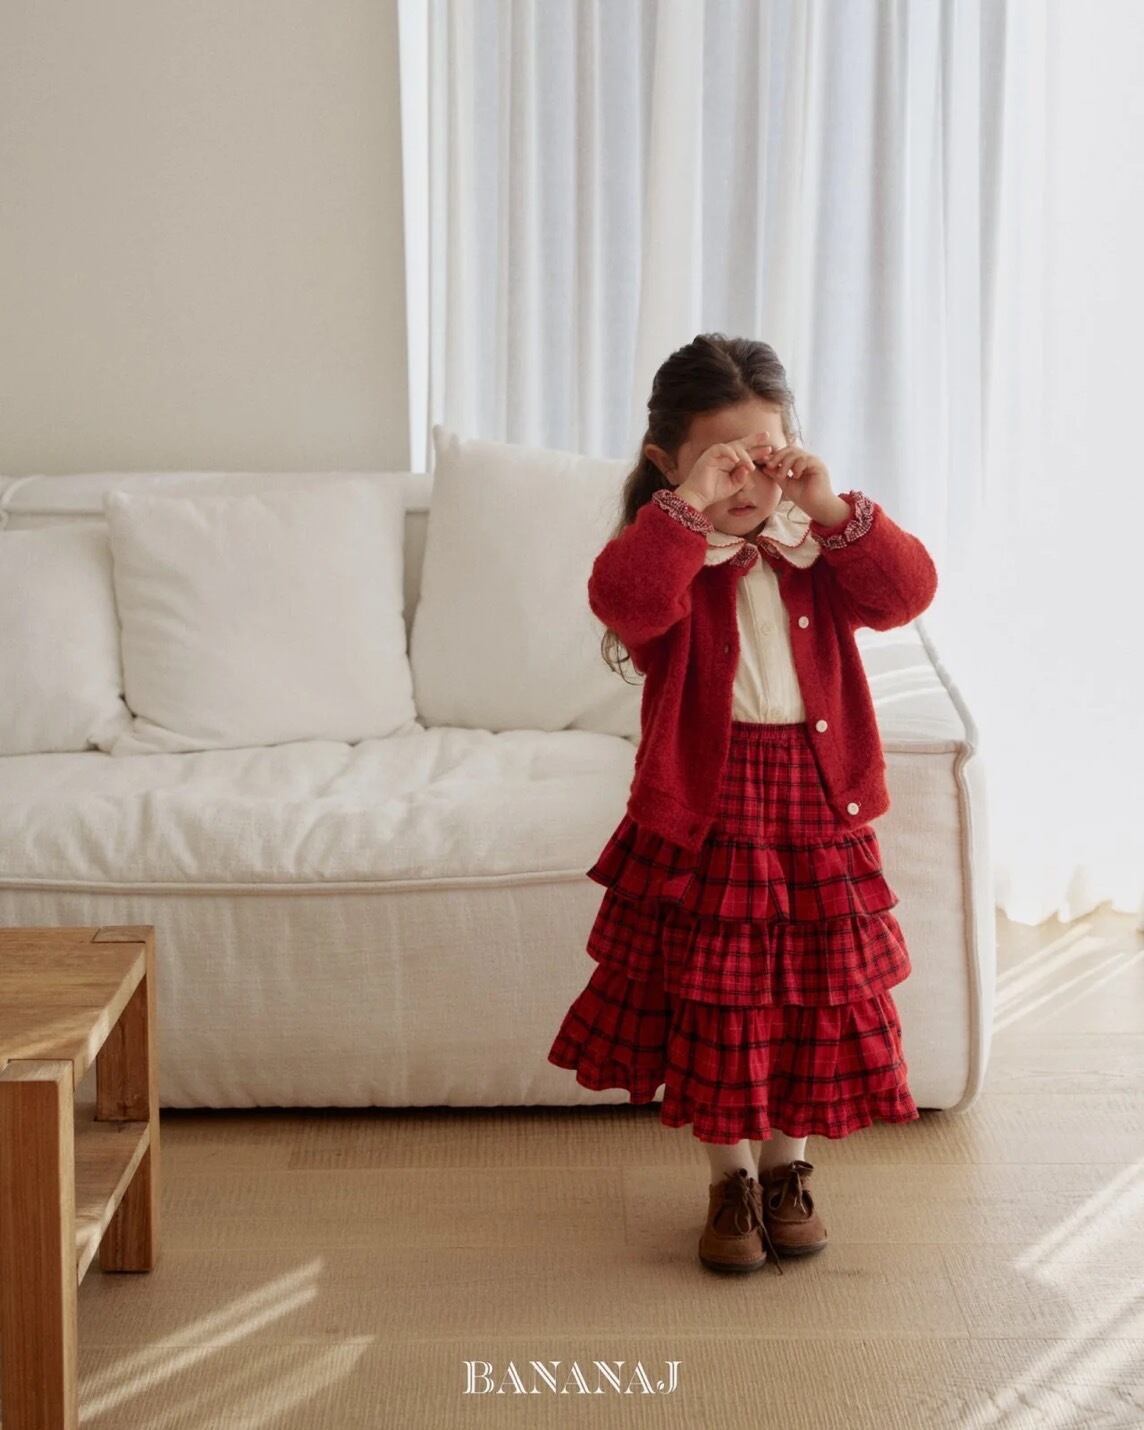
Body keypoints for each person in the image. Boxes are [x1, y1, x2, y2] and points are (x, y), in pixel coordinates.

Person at [547, 333, 939, 1276]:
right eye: (720, 462)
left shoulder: (818, 550)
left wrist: (831, 506)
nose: (744, 482)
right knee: (721, 1003)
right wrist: (687, 509)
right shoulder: (672, 558)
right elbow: (624, 601)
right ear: (665, 464)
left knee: (807, 997)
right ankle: (729, 1182)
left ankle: (786, 1173)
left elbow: (907, 594)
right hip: (707, 805)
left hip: (817, 803)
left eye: (762, 456)